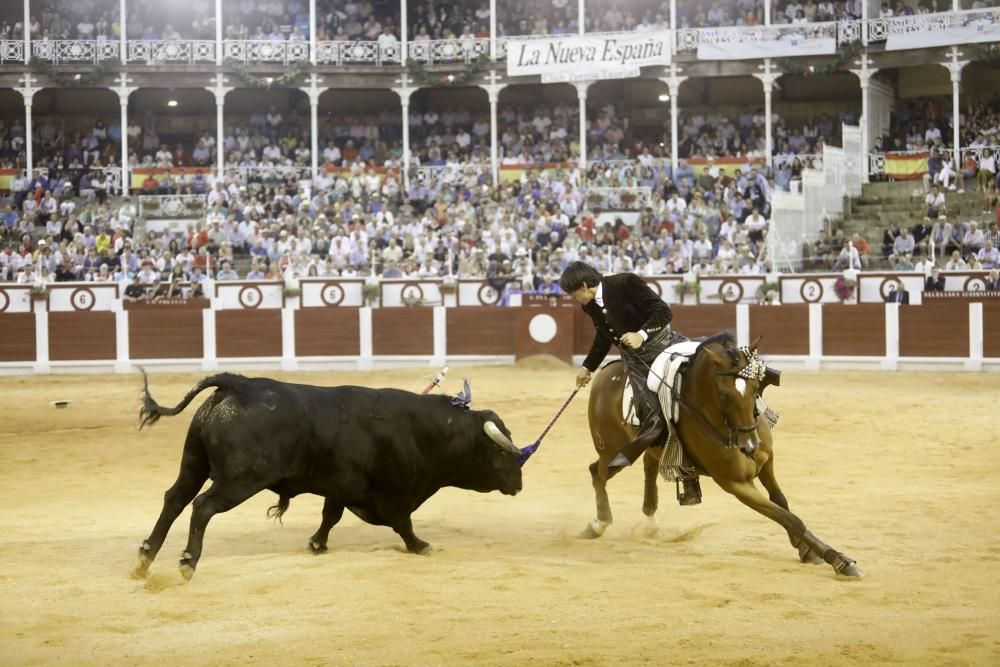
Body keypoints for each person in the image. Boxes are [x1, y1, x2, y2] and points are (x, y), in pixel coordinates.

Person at [558, 261, 700, 504]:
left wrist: (641, 334)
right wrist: (587, 366)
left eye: (573, 294)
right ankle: (687, 475)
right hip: (636, 361)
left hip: (666, 345)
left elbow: (663, 311)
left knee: (707, 375)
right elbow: (603, 336)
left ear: (583, 285)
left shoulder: (626, 283)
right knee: (654, 413)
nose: (574, 299)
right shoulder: (589, 305)